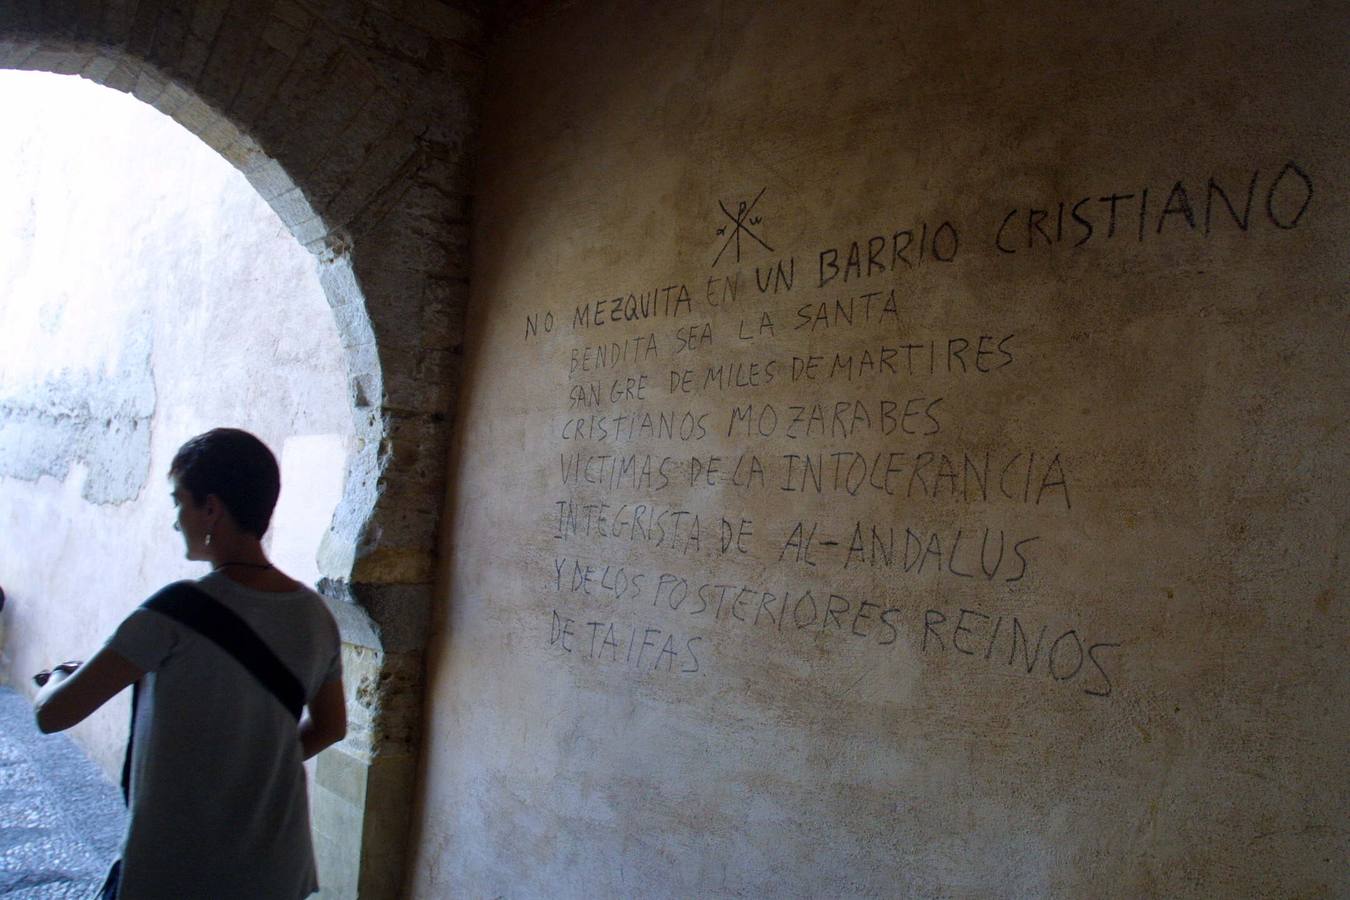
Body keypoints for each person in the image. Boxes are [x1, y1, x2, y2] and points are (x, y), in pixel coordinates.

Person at [31, 428, 346, 899]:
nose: (176, 519)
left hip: (182, 866)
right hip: (277, 866)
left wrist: (57, 676)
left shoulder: (174, 611)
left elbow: (51, 714)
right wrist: (249, 767)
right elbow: (330, 727)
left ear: (211, 508)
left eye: (179, 500)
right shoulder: (315, 615)